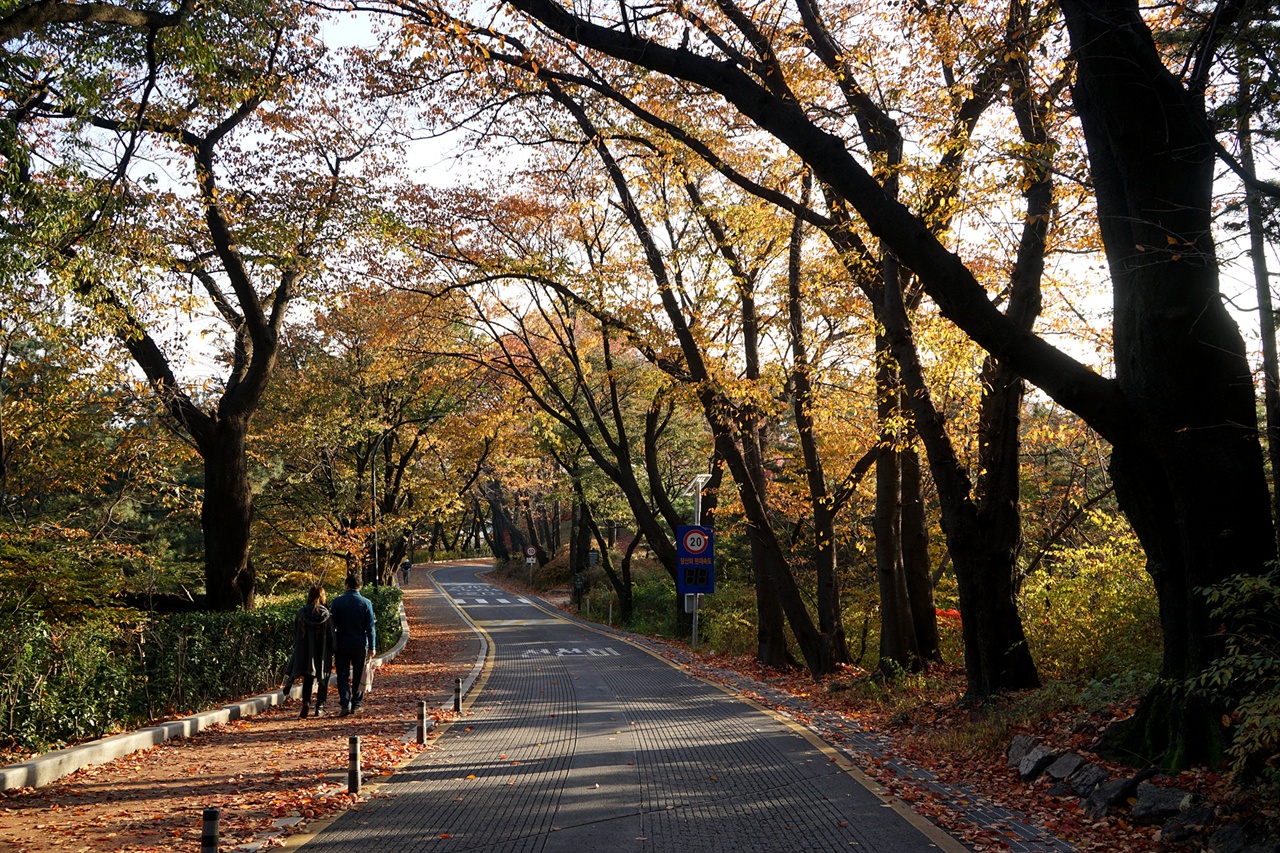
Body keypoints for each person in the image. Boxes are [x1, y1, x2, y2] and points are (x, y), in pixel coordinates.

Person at [330, 572, 376, 716]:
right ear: (360, 587)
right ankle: (356, 704)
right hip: (360, 644)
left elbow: (332, 625)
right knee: (358, 674)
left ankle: (345, 703)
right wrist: (372, 646)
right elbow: (370, 627)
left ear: (347, 585)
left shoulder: (337, 602)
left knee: (342, 674)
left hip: (342, 643)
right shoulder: (366, 603)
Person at [289, 585, 336, 719]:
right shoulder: (326, 615)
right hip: (322, 653)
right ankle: (319, 707)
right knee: (323, 679)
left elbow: (296, 632)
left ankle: (306, 702)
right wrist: (334, 649)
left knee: (307, 679)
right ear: (322, 596)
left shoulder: (301, 613)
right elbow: (331, 636)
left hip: (305, 652)